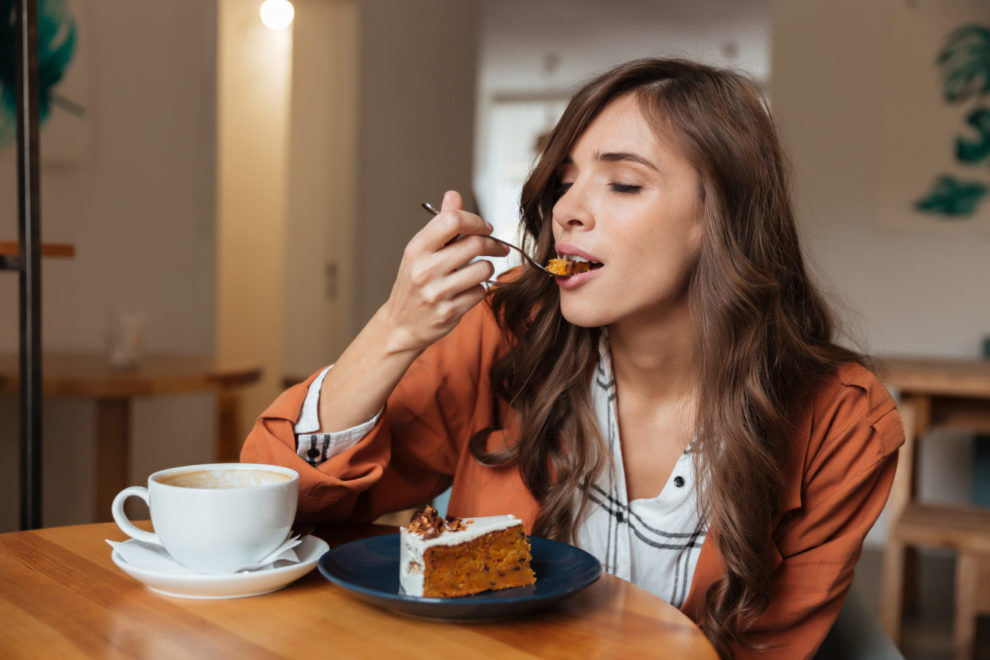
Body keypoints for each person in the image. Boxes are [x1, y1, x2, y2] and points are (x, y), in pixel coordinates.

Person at [242, 58, 903, 658]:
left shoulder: (842, 423)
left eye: (622, 184)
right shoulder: (505, 334)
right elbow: (275, 512)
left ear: (723, 216)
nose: (566, 211)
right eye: (563, 182)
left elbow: (762, 651)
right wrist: (394, 331)